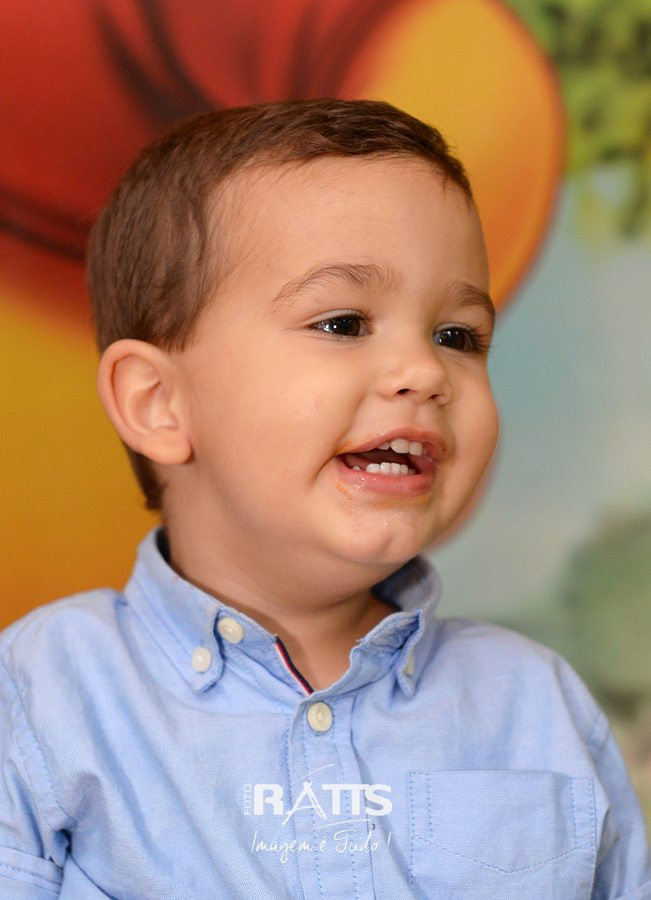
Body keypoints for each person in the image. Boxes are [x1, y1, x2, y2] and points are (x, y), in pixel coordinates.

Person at [0, 99, 648, 899]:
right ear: (158, 403)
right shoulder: (42, 694)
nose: (424, 372)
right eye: (343, 323)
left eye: (457, 336)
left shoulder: (532, 700)